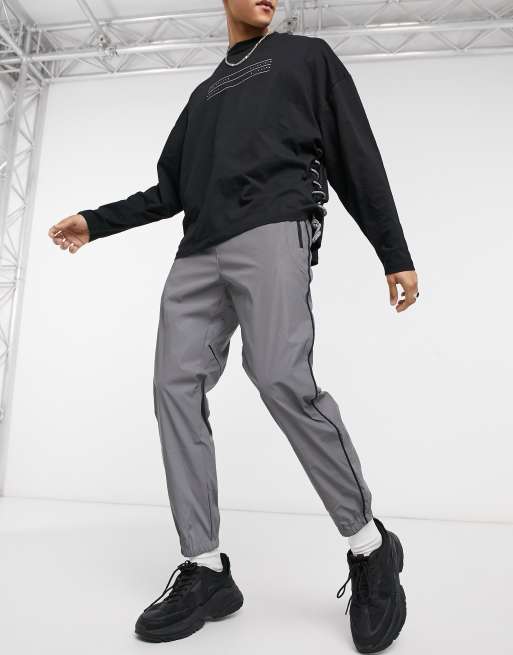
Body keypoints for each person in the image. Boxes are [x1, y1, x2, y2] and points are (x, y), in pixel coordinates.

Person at [48, 0, 418, 651]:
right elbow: (168, 192)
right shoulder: (203, 96)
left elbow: (354, 152)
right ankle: (206, 568)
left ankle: (369, 545)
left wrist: (394, 252)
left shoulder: (305, 58)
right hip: (198, 251)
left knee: (279, 376)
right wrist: (95, 221)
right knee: (173, 386)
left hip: (274, 225)